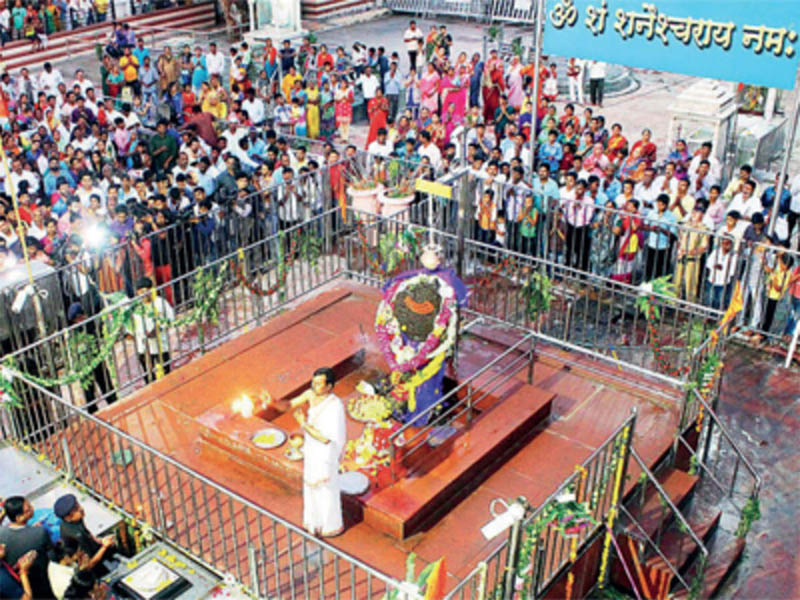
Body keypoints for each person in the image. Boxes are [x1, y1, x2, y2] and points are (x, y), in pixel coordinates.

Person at [266, 368, 346, 537]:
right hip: (312, 449)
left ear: (329, 386)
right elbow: (288, 405)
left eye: (319, 383)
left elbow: (325, 439)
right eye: (314, 382)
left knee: (325, 488)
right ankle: (312, 523)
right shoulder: (310, 394)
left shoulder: (335, 406)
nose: (314, 386)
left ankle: (329, 526)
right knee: (310, 485)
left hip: (325, 453)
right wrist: (272, 402)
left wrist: (303, 423)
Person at [0, 496, 55, 599]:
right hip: (41, 581)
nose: (32, 508)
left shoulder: (2, 534)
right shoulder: (39, 533)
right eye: (28, 509)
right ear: (19, 517)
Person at [126, 277, 175, 384]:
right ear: (138, 292)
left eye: (146, 290)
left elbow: (171, 317)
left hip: (160, 345)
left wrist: (159, 328)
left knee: (165, 374)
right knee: (148, 376)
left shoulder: (160, 302)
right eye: (141, 291)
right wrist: (130, 334)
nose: (144, 294)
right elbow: (129, 326)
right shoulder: (135, 307)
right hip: (143, 348)